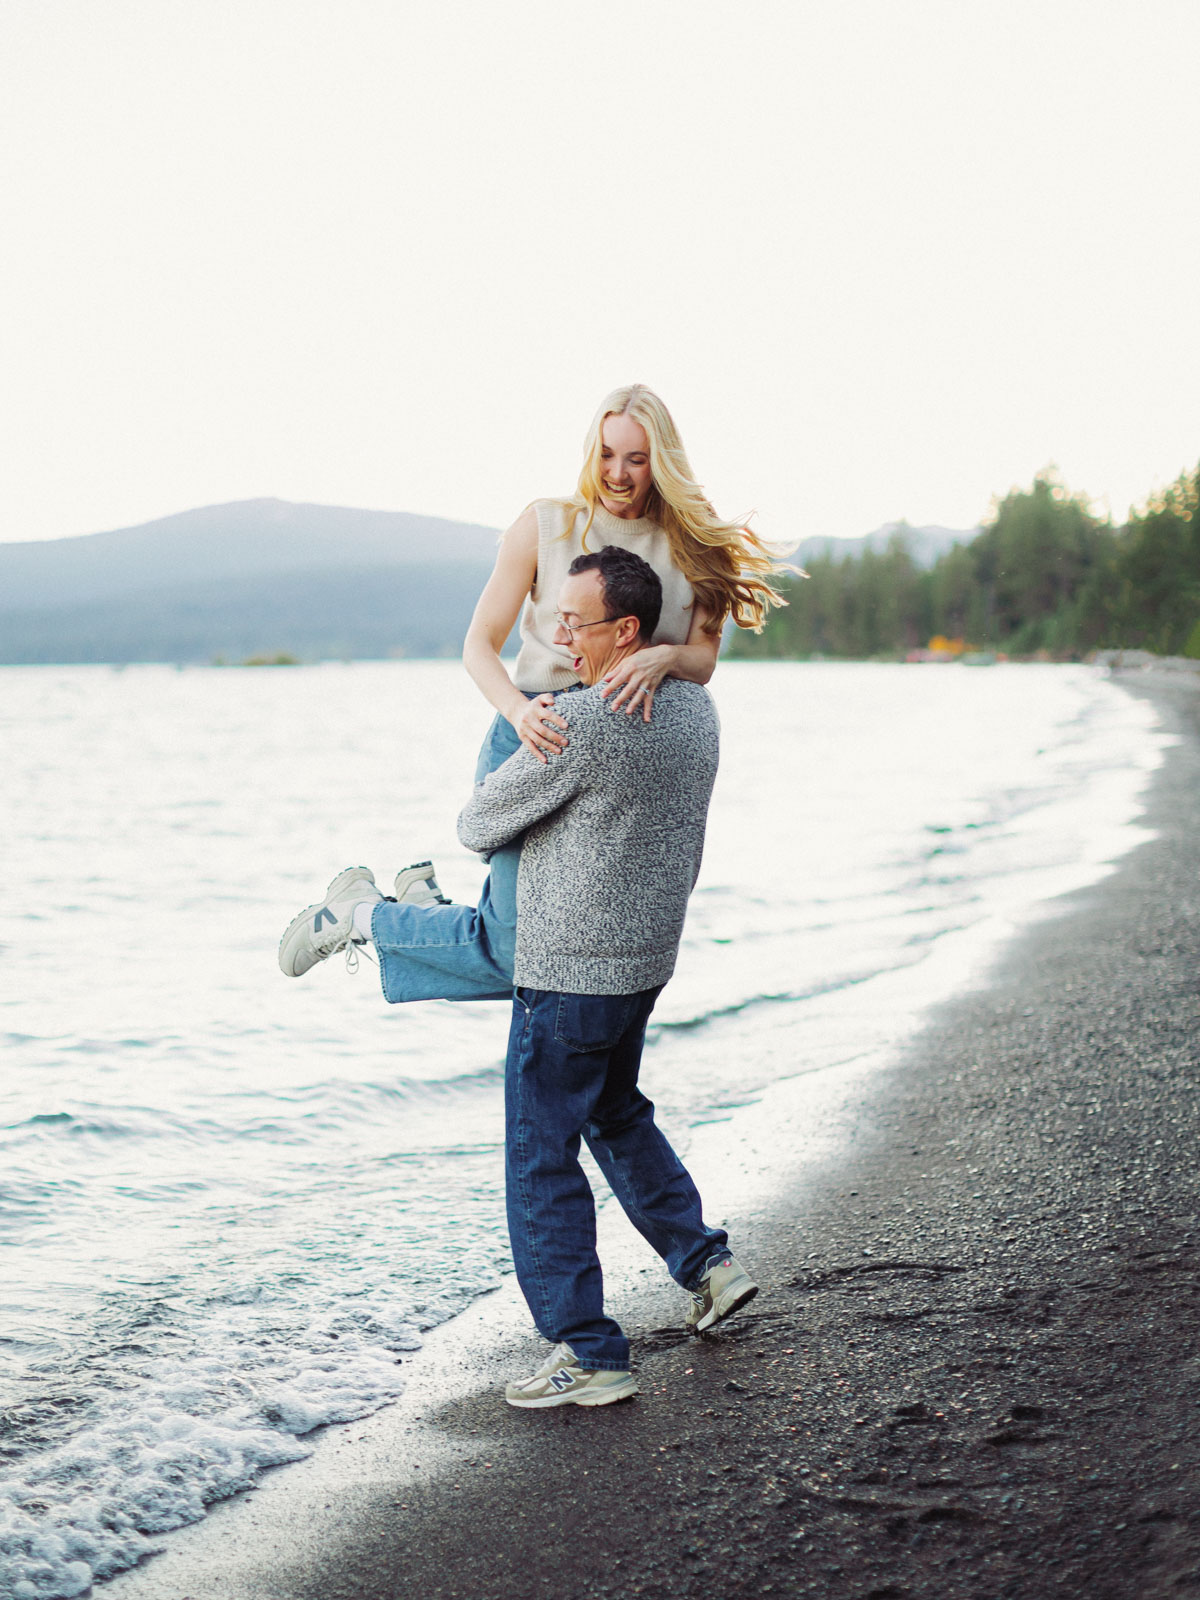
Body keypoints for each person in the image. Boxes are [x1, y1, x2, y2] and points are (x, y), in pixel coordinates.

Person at [277, 549, 757, 1405]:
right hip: (643, 966)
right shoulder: (699, 712)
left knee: (541, 1161)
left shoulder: (581, 722)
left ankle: (590, 1353)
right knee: (616, 1112)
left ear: (628, 632)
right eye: (557, 618)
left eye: (578, 623)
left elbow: (478, 819)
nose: (560, 636)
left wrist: (528, 731)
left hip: (570, 976)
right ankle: (708, 1264)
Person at [277, 384, 785, 995]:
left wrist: (665, 658)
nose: (617, 474)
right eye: (605, 454)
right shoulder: (547, 524)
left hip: (626, 764)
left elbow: (703, 661)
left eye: (636, 458)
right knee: (524, 952)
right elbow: (479, 646)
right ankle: (362, 915)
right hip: (535, 736)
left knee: (577, 956)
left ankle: (408, 909)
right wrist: (518, 714)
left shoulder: (693, 546)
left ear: (664, 461)